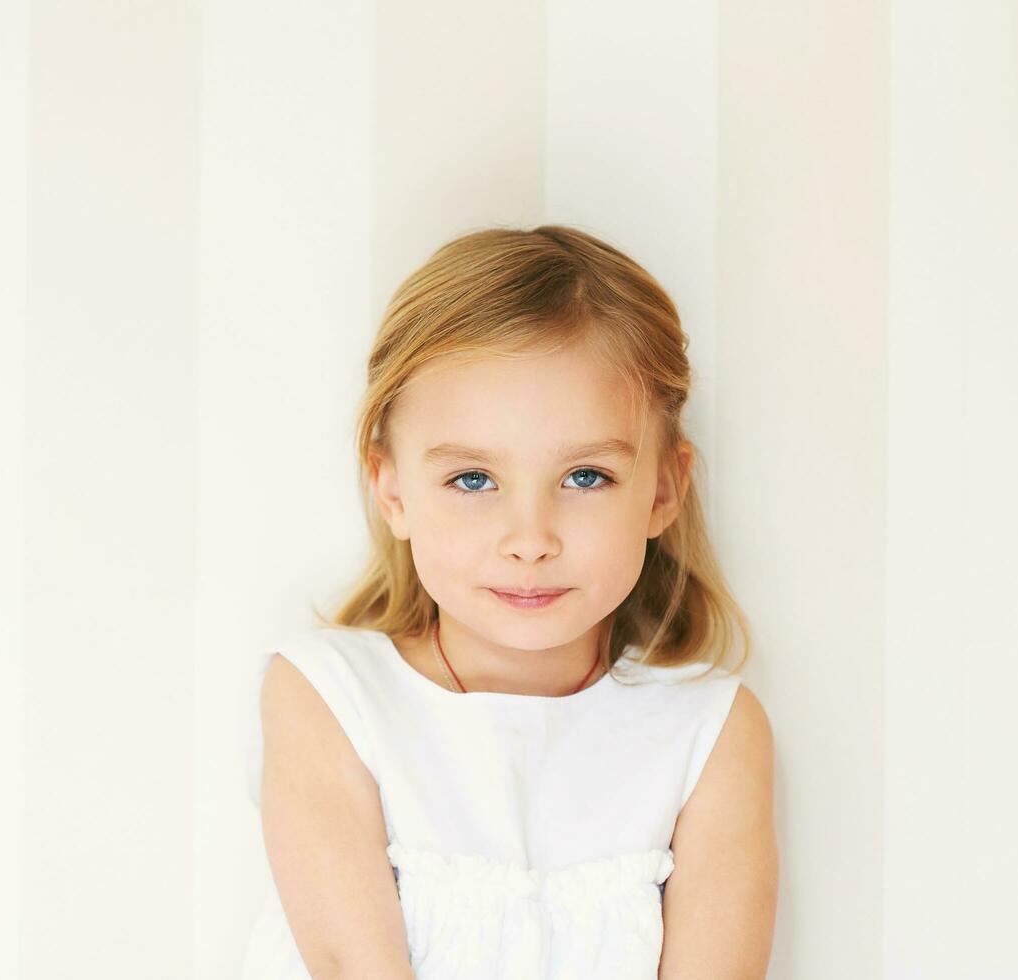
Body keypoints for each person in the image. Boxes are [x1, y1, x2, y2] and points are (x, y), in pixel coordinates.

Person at [239, 225, 778, 979]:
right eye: (472, 480)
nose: (529, 539)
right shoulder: (328, 695)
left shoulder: (709, 732)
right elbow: (349, 965)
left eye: (585, 477)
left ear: (662, 490)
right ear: (391, 489)